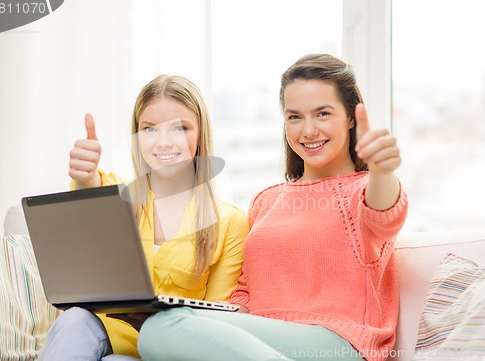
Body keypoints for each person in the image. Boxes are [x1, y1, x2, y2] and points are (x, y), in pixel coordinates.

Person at [135, 54, 409, 361]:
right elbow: (244, 294)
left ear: (350, 117)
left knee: (164, 327)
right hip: (263, 341)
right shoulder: (266, 201)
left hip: (340, 345)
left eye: (323, 114)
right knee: (161, 329)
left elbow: (386, 216)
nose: (308, 130)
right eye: (294, 117)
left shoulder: (362, 191)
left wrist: (383, 170)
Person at [38, 75, 249, 360]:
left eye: (180, 128)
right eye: (149, 130)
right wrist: (86, 177)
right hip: (100, 333)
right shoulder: (121, 198)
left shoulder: (229, 222)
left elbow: (216, 326)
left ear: (201, 134)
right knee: (74, 319)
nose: (163, 142)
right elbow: (94, 191)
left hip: (166, 350)